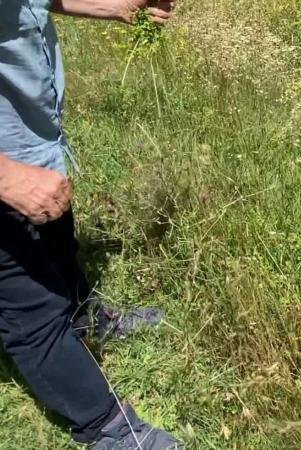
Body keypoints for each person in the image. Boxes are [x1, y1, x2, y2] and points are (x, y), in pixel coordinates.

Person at [0, 0, 182, 448]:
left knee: (59, 248)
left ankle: (85, 322)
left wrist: (115, 6)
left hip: (26, 139)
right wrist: (6, 177)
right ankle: (107, 427)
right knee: (30, 312)